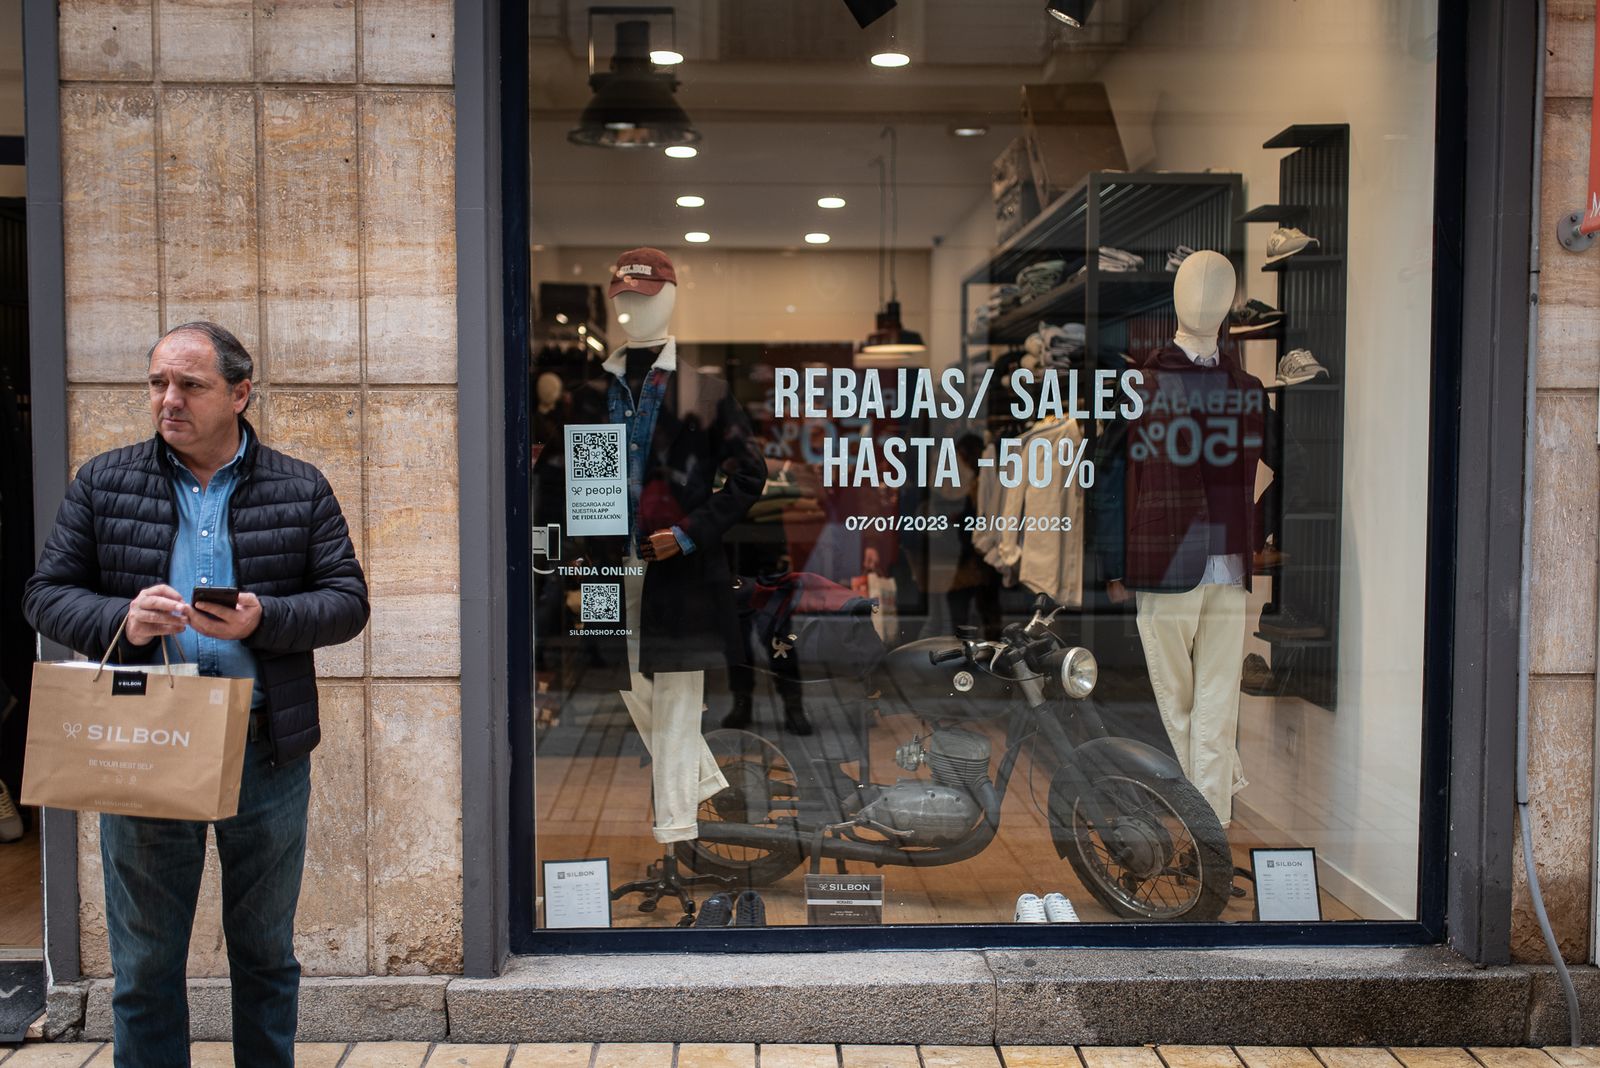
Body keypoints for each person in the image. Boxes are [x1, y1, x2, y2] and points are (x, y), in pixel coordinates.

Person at [23, 322, 369, 1067]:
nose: (168, 400)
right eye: (157, 384)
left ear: (240, 394)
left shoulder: (298, 485)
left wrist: (264, 617)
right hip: (147, 740)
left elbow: (348, 602)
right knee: (145, 964)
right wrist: (123, 619)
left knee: (266, 953)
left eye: (189, 385)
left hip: (262, 749)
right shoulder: (105, 481)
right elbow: (45, 596)